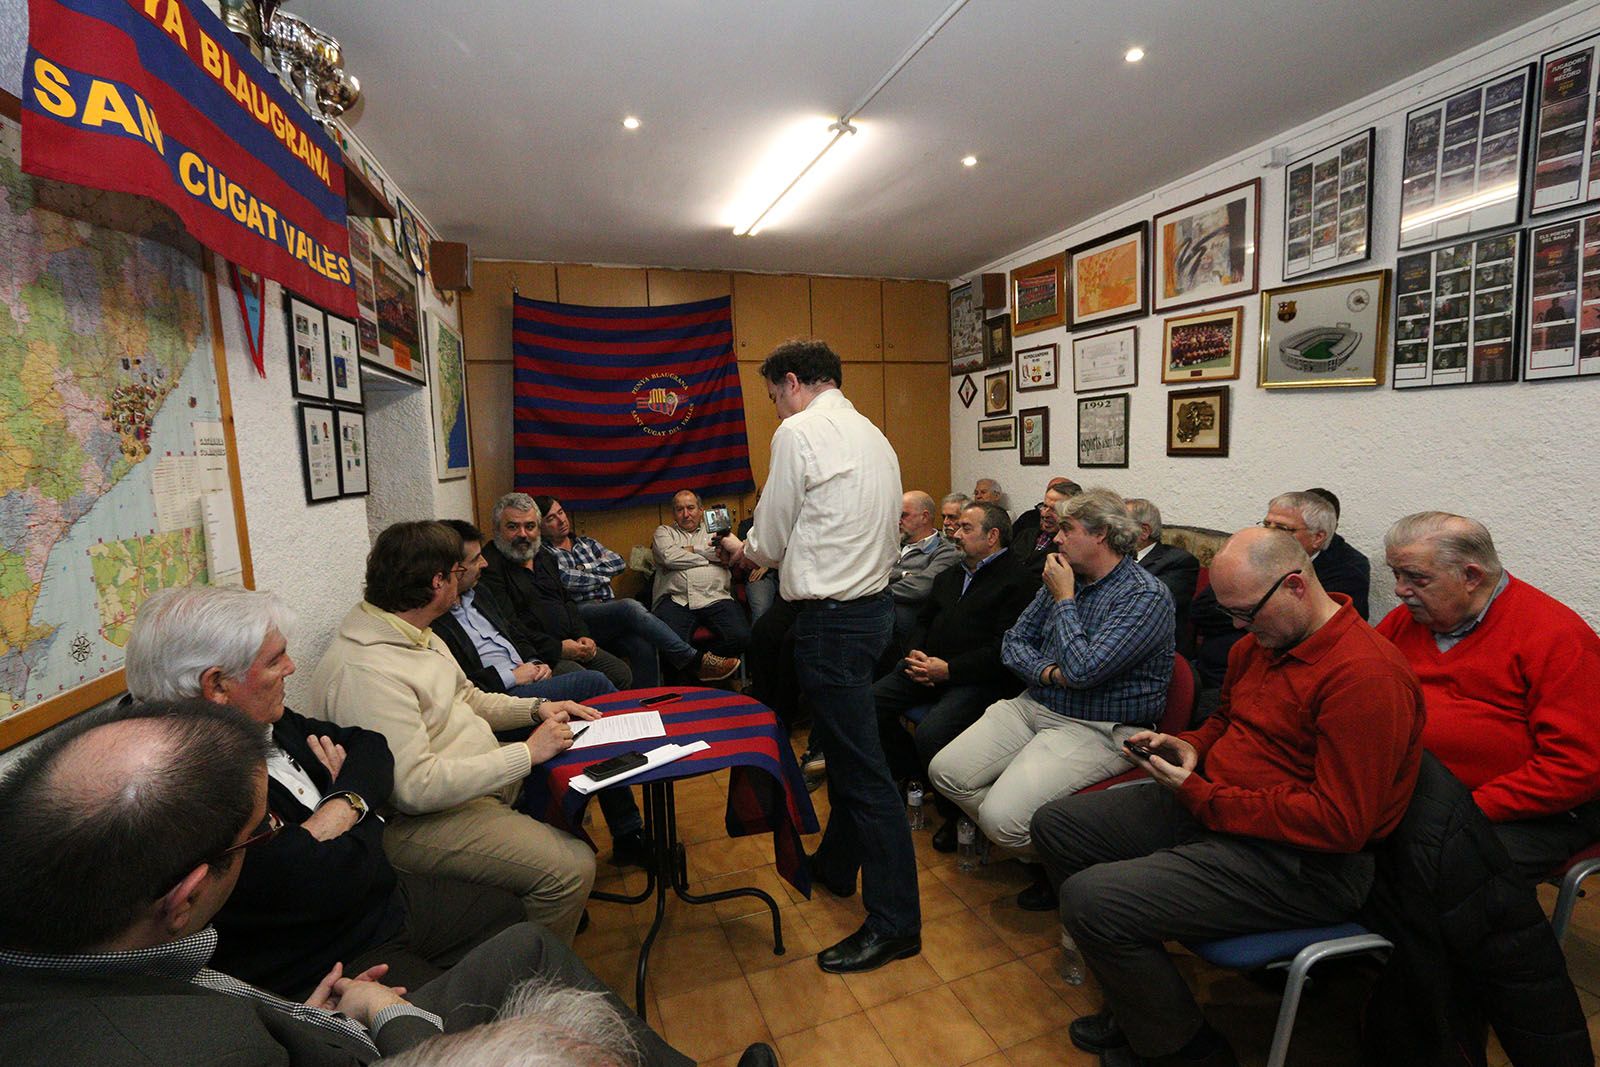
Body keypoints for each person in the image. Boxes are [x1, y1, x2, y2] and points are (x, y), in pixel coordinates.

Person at [0, 700, 701, 1067]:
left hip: (320, 1014)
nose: (278, 833)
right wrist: (380, 1013)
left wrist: (305, 1015)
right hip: (361, 1035)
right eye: (264, 831)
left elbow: (367, 761)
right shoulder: (209, 1048)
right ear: (186, 898)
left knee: (528, 944)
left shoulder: (71, 956)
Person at [1030, 527, 1425, 1067]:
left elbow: (1340, 823)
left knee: (1092, 901)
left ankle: (1186, 1051)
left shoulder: (1366, 677)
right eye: (1230, 613)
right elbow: (1227, 719)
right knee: (1058, 825)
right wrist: (1190, 744)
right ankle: (1138, 998)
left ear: (1295, 586)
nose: (1238, 627)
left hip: (1304, 862)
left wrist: (1203, 795)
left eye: (1245, 613)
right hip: (1222, 809)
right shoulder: (1263, 643)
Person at [123, 586, 524, 1000]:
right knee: (456, 1008)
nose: (292, 667)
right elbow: (320, 883)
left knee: (508, 915)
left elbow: (370, 746)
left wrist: (340, 807)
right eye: (275, 660)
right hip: (327, 958)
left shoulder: (255, 717)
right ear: (217, 685)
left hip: (380, 899)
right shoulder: (177, 787)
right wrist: (368, 815)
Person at [718, 338, 916, 974]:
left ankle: (896, 924)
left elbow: (771, 538)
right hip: (873, 611)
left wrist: (743, 549)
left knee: (861, 774)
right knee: (856, 754)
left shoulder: (800, 432)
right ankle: (835, 864)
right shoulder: (874, 435)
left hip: (834, 621)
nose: (776, 409)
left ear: (793, 382)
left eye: (774, 396)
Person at [311, 521, 599, 944]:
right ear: (437, 582)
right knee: (572, 868)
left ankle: (528, 910)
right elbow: (414, 788)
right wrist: (526, 754)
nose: (474, 571)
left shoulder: (417, 633)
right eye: (456, 571)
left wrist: (537, 709)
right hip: (420, 821)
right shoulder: (367, 672)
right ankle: (530, 971)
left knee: (577, 773)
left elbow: (469, 698)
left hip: (468, 783)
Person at [929, 488, 1174, 910]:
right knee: (945, 772)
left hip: (1098, 727)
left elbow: (1083, 671)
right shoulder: (1064, 573)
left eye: (1067, 529)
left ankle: (1070, 864)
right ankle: (1050, 849)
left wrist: (1064, 599)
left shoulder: (1144, 596)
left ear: (1100, 534)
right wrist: (1048, 672)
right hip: (1036, 703)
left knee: (1001, 822)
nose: (1056, 539)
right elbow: (1013, 644)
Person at [1376, 511, 1600, 881]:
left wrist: (1468, 808)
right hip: (1418, 795)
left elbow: (1577, 767)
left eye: (1416, 578)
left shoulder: (1556, 637)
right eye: (1396, 574)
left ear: (1471, 577)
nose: (1400, 589)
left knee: (1427, 871)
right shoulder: (1405, 623)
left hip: (1531, 812)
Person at [431, 520, 649, 870]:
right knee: (593, 685)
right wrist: (513, 674)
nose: (484, 563)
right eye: (473, 560)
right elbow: (466, 688)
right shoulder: (434, 621)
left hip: (532, 676)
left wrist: (534, 661)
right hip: (501, 698)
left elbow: (515, 633)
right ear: (448, 571)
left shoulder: (480, 594)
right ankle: (636, 768)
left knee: (600, 702)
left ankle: (625, 829)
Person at [873, 501, 1040, 852]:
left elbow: (1003, 649)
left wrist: (949, 670)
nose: (955, 534)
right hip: (926, 666)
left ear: (992, 536)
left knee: (932, 732)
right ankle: (914, 773)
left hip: (978, 679)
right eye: (957, 526)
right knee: (869, 704)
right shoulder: (950, 574)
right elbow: (923, 620)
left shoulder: (1019, 581)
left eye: (966, 528)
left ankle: (955, 815)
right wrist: (915, 653)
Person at [486, 493, 738, 687]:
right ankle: (694, 660)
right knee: (630, 607)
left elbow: (617, 563)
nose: (560, 520)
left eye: (561, 513)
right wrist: (598, 574)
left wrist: (583, 574)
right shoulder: (538, 553)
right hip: (578, 622)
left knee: (642, 643)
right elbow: (569, 583)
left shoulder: (574, 546)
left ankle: (651, 706)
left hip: (597, 617)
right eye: (513, 527)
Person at [1190, 489, 1371, 693]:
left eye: (1282, 529)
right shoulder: (1255, 552)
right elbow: (1201, 610)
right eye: (1267, 525)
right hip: (1218, 666)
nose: (1270, 534)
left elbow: (1303, 630)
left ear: (1318, 537)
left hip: (1285, 678)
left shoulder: (1348, 569)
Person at [650, 489, 751, 656]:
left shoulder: (716, 530)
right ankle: (700, 668)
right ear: (673, 513)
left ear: (701, 510)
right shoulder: (664, 532)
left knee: (742, 637)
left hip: (716, 596)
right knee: (670, 644)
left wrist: (689, 550)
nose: (686, 514)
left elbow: (727, 554)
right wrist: (709, 559)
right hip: (677, 599)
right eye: (680, 509)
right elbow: (669, 558)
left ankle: (705, 664)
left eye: (690, 508)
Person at [887, 490, 962, 650]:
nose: (898, 521)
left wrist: (874, 590)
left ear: (924, 517)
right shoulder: (891, 545)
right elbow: (870, 572)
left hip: (906, 629)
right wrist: (903, 575)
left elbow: (921, 588)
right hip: (876, 616)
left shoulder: (946, 551)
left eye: (903, 515)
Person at [1126, 497, 1200, 658]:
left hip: (1156, 652)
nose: (1109, 532)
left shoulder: (1179, 562)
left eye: (1119, 526)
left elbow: (1145, 608)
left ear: (1144, 531)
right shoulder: (1114, 558)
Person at [1007, 477, 1081, 575]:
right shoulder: (1025, 535)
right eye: (1045, 506)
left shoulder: (1071, 550)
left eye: (1054, 509)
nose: (1044, 514)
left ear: (1074, 513)